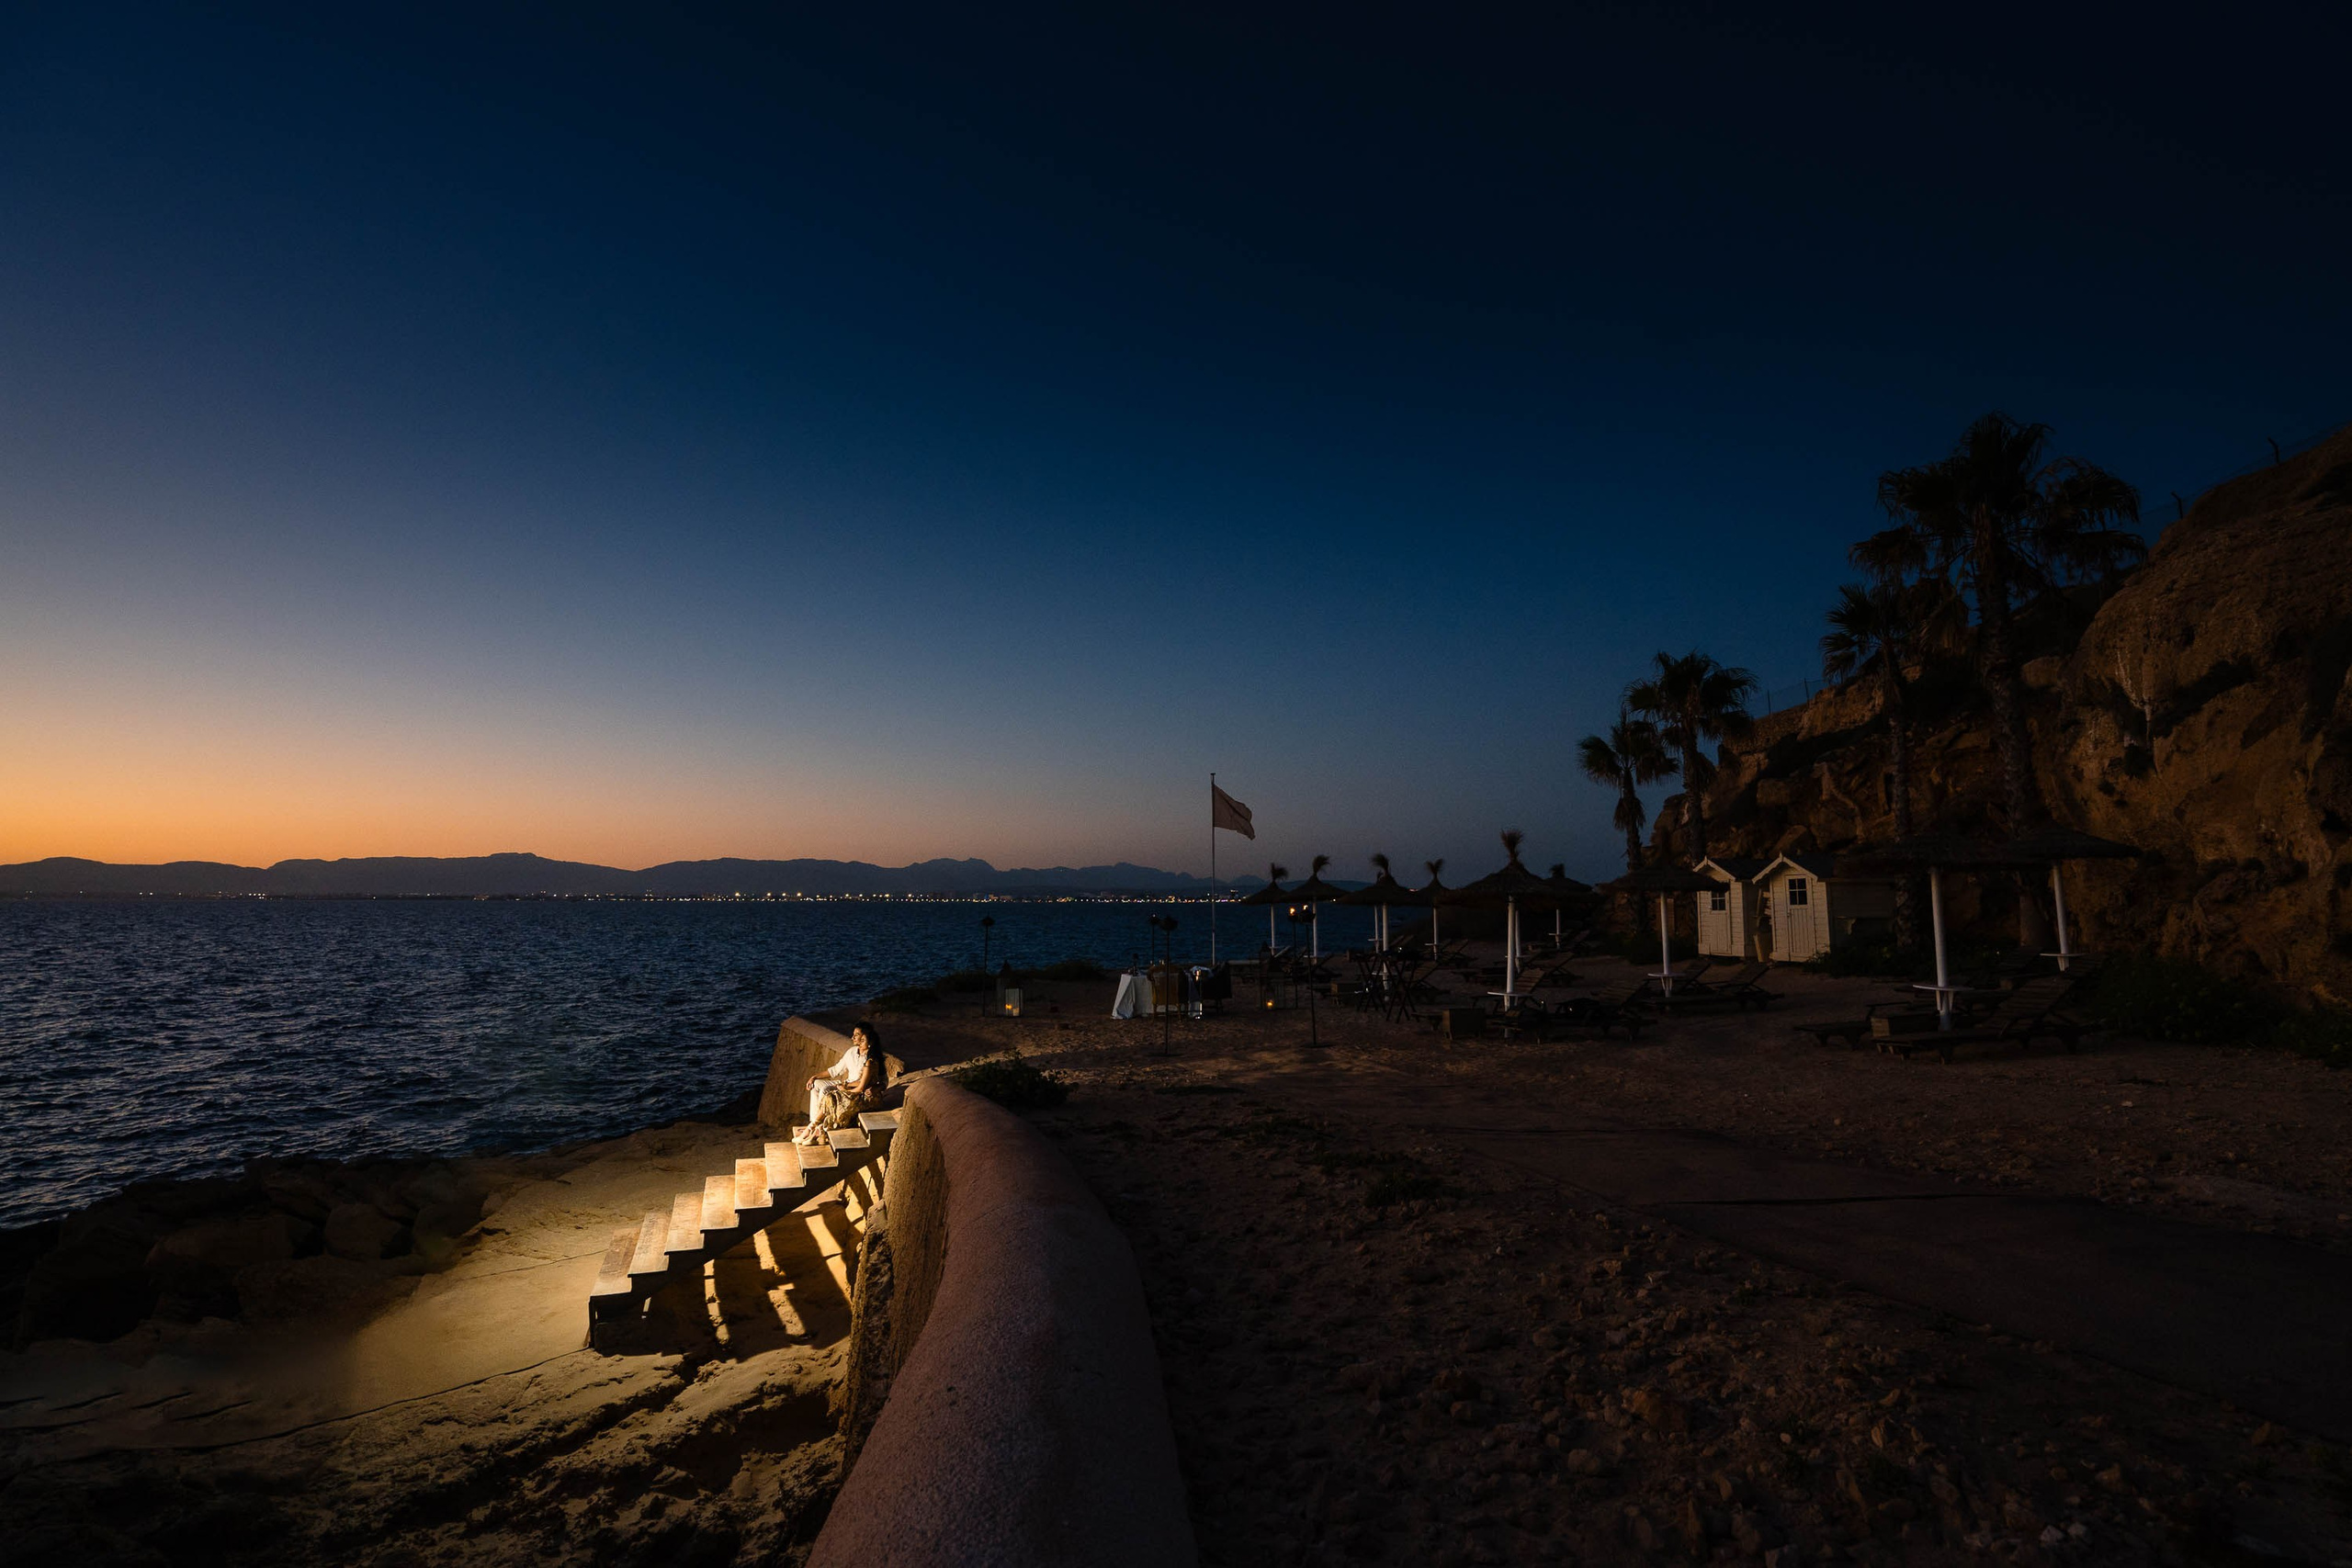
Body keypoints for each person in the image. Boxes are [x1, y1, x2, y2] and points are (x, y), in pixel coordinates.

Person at [798, 1022, 881, 1145]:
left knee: (826, 1090)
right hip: (846, 1083)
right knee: (816, 1085)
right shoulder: (852, 1052)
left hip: (854, 1088)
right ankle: (814, 1124)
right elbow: (835, 1070)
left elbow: (880, 1080)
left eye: (857, 1035)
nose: (853, 1037)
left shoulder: (871, 1059)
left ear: (866, 1037)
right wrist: (814, 1077)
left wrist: (876, 1088)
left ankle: (816, 1127)